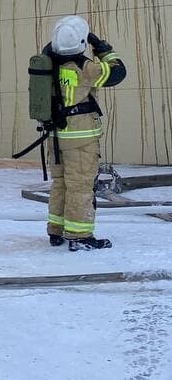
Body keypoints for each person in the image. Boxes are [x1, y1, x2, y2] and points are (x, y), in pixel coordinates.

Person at [43, 15, 126, 250]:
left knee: (60, 183)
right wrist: (102, 48)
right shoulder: (86, 68)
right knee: (80, 186)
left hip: (56, 138)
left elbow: (50, 48)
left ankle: (56, 231)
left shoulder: (48, 63)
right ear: (80, 42)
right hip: (80, 140)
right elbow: (118, 72)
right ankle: (79, 237)